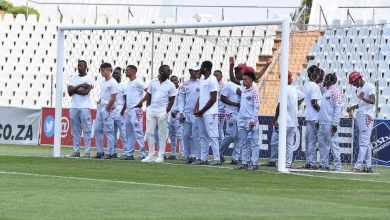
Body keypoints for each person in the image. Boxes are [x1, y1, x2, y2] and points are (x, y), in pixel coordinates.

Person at [266, 71, 304, 168]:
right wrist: (295, 106)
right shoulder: (294, 89)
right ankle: (287, 163)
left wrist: (275, 118)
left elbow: (279, 105)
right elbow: (302, 96)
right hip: (293, 121)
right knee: (289, 143)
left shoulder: (283, 89)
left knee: (275, 140)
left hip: (284, 121)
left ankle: (273, 160)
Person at [142, 65, 177, 163]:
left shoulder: (171, 85)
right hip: (151, 110)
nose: (169, 72)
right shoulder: (153, 82)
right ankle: (151, 155)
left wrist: (166, 111)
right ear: (160, 72)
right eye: (167, 71)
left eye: (169, 71)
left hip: (162, 111)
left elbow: (172, 99)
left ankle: (161, 155)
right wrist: (148, 107)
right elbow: (149, 95)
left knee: (161, 134)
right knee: (149, 132)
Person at [347, 71, 376, 173]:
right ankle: (368, 166)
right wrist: (353, 107)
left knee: (363, 142)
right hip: (361, 115)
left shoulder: (370, 87)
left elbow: (373, 101)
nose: (354, 85)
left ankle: (358, 167)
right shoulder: (359, 89)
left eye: (354, 82)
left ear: (359, 78)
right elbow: (362, 104)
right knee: (366, 142)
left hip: (366, 116)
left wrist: (362, 98)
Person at [193, 61, 221, 166]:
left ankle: (217, 159)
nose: (199, 69)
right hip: (202, 112)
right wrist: (196, 108)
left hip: (210, 113)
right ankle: (203, 158)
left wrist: (202, 110)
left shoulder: (212, 80)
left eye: (201, 67)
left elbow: (213, 98)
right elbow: (201, 96)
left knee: (213, 136)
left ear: (205, 68)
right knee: (202, 136)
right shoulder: (202, 80)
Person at [67, 60, 94, 158]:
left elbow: (85, 92)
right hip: (74, 106)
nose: (79, 67)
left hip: (84, 107)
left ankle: (87, 152)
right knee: (75, 131)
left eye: (81, 65)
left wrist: (74, 89)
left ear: (85, 67)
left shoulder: (89, 78)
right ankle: (76, 151)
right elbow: (69, 92)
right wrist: (80, 86)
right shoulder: (73, 78)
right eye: (78, 65)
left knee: (87, 130)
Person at [236, 66, 260, 170]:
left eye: (245, 79)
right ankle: (244, 162)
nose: (243, 81)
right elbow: (234, 79)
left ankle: (254, 164)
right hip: (241, 120)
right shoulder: (244, 87)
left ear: (251, 79)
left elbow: (256, 106)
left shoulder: (254, 91)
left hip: (250, 120)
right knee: (243, 142)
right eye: (243, 79)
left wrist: (253, 120)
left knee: (254, 143)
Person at [318, 73, 343, 171]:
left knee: (334, 144)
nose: (324, 81)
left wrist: (335, 123)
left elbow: (338, 108)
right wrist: (318, 120)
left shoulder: (335, 91)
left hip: (330, 123)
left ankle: (338, 166)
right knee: (322, 144)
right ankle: (324, 164)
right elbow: (322, 108)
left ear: (330, 81)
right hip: (322, 123)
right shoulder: (326, 91)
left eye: (325, 79)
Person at [121, 65, 146, 160]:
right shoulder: (128, 83)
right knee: (129, 133)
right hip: (129, 110)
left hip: (136, 110)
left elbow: (148, 91)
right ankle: (129, 153)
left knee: (138, 131)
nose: (125, 72)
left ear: (133, 71)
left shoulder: (138, 82)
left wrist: (142, 101)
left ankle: (142, 154)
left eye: (127, 70)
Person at [94, 63, 118, 159]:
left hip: (109, 108)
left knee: (109, 131)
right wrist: (100, 101)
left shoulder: (113, 83)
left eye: (103, 70)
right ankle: (100, 151)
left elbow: (113, 98)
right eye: (101, 70)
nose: (101, 72)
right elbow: (104, 94)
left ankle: (109, 152)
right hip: (101, 107)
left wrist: (106, 109)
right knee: (97, 129)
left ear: (109, 70)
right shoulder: (103, 82)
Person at [178, 64, 201, 164]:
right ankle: (188, 156)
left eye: (198, 71)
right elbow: (181, 99)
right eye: (195, 71)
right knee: (185, 135)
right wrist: (181, 113)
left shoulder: (201, 83)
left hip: (197, 114)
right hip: (187, 113)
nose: (197, 73)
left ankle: (196, 156)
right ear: (190, 71)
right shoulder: (184, 84)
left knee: (196, 136)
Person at [303, 65, 322, 169]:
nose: (319, 74)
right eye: (317, 72)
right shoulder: (314, 86)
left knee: (310, 141)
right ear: (313, 74)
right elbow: (314, 102)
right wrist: (321, 111)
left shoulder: (307, 85)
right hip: (315, 117)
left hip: (309, 116)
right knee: (317, 141)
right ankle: (313, 163)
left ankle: (309, 162)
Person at [219, 72, 240, 165]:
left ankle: (235, 158)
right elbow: (222, 98)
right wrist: (234, 104)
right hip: (231, 112)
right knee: (230, 135)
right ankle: (218, 154)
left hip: (241, 114)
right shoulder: (229, 84)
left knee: (239, 136)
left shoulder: (245, 85)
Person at [111, 67, 127, 159]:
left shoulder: (123, 85)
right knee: (112, 133)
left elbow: (126, 99)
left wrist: (123, 111)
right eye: (114, 73)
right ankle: (113, 152)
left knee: (123, 134)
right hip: (112, 112)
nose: (115, 75)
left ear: (121, 75)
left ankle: (125, 152)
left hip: (120, 112)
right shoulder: (112, 84)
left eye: (117, 73)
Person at [167, 75, 183, 160]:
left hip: (177, 115)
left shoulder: (180, 90)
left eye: (175, 80)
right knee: (172, 136)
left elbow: (181, 102)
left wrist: (177, 111)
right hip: (170, 115)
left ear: (178, 81)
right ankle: (173, 154)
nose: (173, 82)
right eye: (172, 80)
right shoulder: (169, 90)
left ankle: (182, 154)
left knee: (180, 135)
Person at [214, 70, 226, 146]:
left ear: (221, 76)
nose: (215, 77)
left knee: (219, 130)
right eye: (214, 75)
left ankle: (220, 151)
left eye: (217, 75)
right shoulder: (212, 85)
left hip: (221, 111)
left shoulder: (224, 86)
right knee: (215, 131)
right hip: (212, 111)